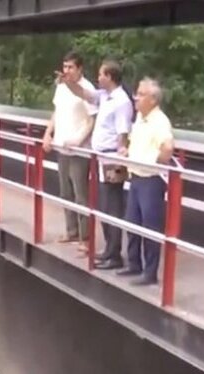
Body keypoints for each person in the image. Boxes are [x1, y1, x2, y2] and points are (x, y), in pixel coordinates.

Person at [63, 60, 134, 269]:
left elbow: (123, 133)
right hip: (101, 157)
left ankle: (114, 255)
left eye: (101, 74)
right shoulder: (104, 96)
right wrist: (69, 82)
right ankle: (109, 250)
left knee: (112, 206)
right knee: (104, 206)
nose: (98, 78)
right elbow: (84, 94)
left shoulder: (122, 101)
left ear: (110, 77)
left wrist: (120, 164)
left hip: (112, 159)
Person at [116, 77, 174, 285]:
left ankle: (150, 273)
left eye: (140, 95)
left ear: (153, 99)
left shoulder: (160, 121)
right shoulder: (140, 117)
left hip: (151, 179)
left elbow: (167, 149)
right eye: (136, 93)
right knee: (132, 222)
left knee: (150, 226)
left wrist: (153, 162)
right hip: (136, 177)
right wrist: (127, 151)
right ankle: (134, 264)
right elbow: (136, 143)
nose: (135, 98)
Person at [42, 51, 97, 252]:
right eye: (64, 67)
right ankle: (71, 230)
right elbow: (57, 112)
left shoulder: (87, 89)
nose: (67, 71)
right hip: (61, 146)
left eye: (71, 67)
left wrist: (78, 139)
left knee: (80, 193)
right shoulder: (62, 87)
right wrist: (48, 133)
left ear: (80, 68)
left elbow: (92, 119)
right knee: (65, 191)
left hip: (78, 149)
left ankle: (85, 236)